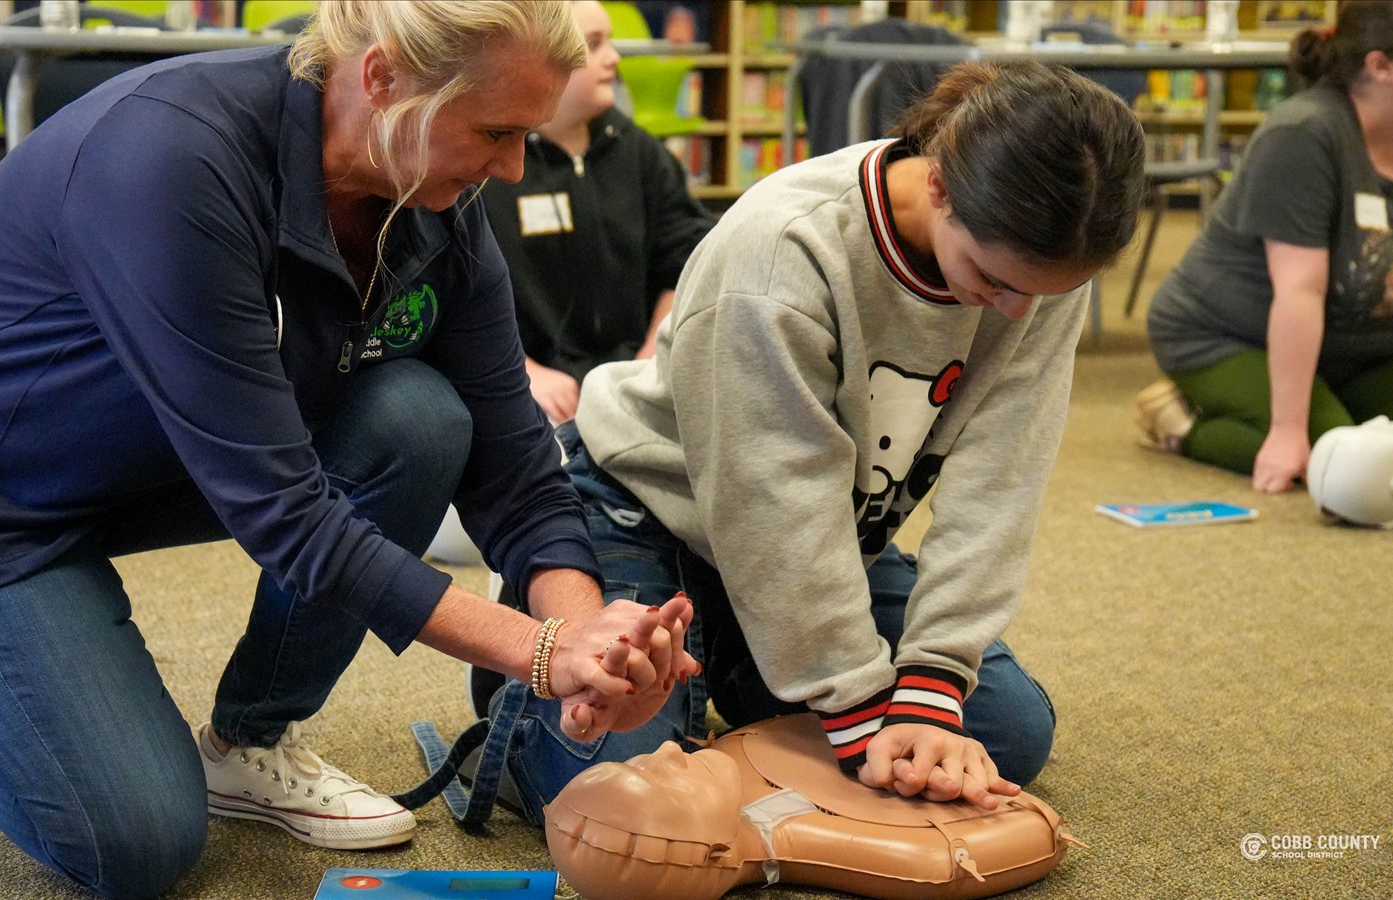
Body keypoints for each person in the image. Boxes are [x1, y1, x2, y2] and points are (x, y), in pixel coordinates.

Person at [0, 3, 696, 897]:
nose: (514, 166)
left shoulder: (434, 190)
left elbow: (516, 468)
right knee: (135, 846)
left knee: (421, 418)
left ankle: (252, 739)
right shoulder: (172, 157)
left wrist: (593, 637)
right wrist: (539, 649)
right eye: (495, 131)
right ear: (383, 78)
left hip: (184, 442)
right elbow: (289, 517)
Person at [464, 60, 1146, 825]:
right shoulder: (782, 249)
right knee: (605, 790)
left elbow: (1000, 485)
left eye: (1041, 293)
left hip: (825, 538)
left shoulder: (1042, 260)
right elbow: (773, 506)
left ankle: (741, 681)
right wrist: (856, 710)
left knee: (1005, 734)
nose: (1017, 315)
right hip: (644, 512)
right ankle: (543, 651)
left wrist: (931, 684)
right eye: (992, 280)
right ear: (941, 187)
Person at [1137, 0, 1393, 493]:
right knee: (1340, 469)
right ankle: (1178, 422)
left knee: (1370, 457)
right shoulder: (1304, 133)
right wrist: (1288, 430)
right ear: (1380, 66)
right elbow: (1300, 292)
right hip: (1227, 334)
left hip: (1350, 345)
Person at [480, 0, 715, 424]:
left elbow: (689, 256)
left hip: (634, 379)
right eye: (594, 44)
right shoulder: (489, 164)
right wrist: (523, 373)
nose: (615, 58)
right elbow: (457, 292)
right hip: (529, 391)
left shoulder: (639, 151)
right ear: (534, 62)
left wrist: (654, 356)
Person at [544, 715, 1076, 900]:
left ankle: (753, 672)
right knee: (596, 743)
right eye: (664, 777)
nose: (667, 752)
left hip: (842, 549)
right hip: (653, 532)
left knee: (1013, 733)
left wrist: (918, 707)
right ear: (710, 852)